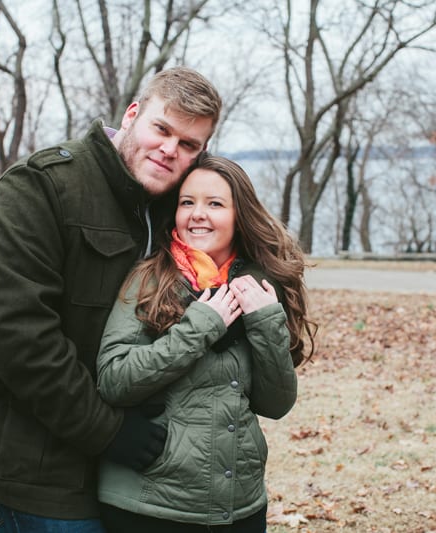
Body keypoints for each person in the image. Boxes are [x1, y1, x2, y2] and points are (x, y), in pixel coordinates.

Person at [0, 66, 222, 532]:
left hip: (129, 471)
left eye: (190, 144)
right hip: (34, 465)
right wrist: (108, 431)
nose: (171, 150)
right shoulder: (42, 186)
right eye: (162, 129)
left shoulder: (173, 209)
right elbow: (17, 336)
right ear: (132, 114)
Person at [95, 153, 317, 532]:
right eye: (187, 202)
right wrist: (201, 326)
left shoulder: (259, 286)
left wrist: (264, 322)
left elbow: (276, 404)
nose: (198, 214)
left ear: (239, 215)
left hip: (240, 506)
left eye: (214, 204)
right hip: (151, 506)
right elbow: (114, 379)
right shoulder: (149, 280)